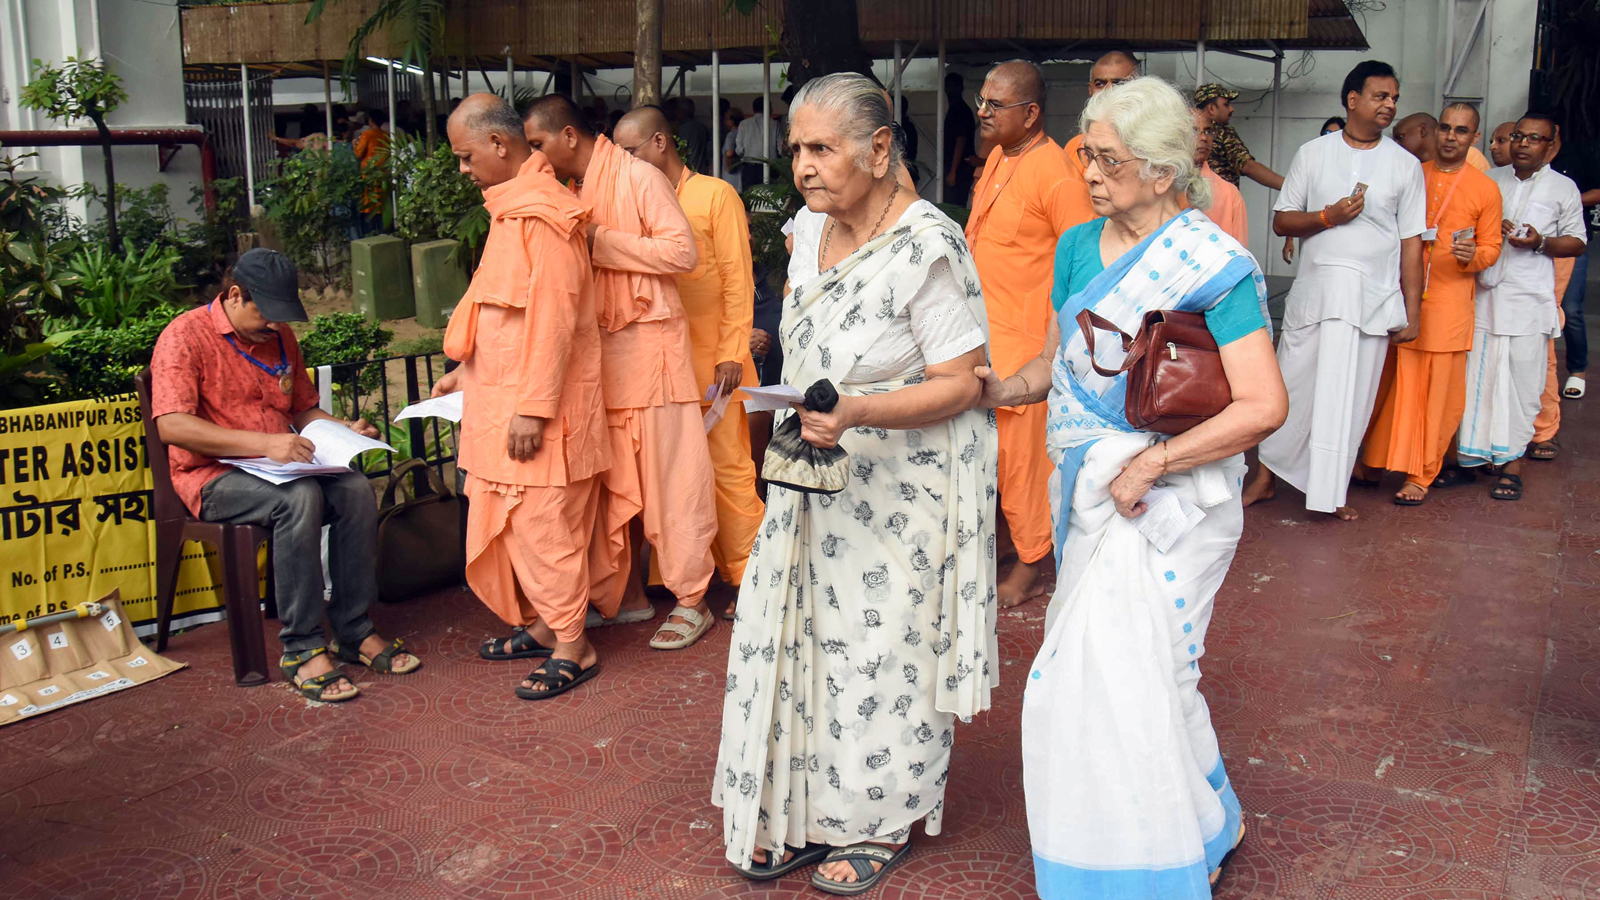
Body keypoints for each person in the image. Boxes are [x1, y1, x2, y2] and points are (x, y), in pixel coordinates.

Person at [974, 75, 1285, 899]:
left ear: (1161, 171)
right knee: (1124, 676)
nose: (1089, 173)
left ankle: (1154, 859)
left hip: (1175, 501)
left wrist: (1152, 463)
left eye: (1108, 160)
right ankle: (1204, 825)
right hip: (1090, 490)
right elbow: (1053, 366)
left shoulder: (1213, 263)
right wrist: (997, 388)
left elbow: (1263, 406)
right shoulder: (1078, 247)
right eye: (1088, 155)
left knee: (1148, 672)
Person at [714, 72, 996, 896]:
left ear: (878, 149)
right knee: (801, 646)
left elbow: (963, 382)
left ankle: (879, 820)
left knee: (879, 656)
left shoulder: (927, 244)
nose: (803, 164)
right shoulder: (807, 229)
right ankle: (806, 815)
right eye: (795, 148)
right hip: (810, 480)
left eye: (821, 148)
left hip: (900, 492)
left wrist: (861, 410)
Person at [150, 249, 421, 703]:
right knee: (299, 498)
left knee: (354, 490)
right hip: (212, 476)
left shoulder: (279, 336)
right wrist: (265, 444)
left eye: (282, 315)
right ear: (234, 296)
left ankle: (353, 630)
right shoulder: (184, 335)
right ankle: (302, 648)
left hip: (279, 466)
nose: (275, 324)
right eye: (266, 313)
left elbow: (302, 409)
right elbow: (172, 425)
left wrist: (344, 430)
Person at [522, 95, 722, 650]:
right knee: (611, 492)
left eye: (537, 144)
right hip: (600, 360)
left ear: (568, 135)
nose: (534, 157)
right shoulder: (570, 193)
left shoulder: (638, 177)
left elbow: (682, 254)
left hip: (652, 355)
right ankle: (626, 597)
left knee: (671, 483)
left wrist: (598, 241)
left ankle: (693, 601)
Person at [430, 95, 609, 698]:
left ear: (498, 144)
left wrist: (532, 409)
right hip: (500, 399)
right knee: (522, 530)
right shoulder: (512, 211)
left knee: (544, 528)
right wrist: (466, 373)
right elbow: (504, 315)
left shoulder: (545, 215)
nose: (463, 170)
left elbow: (555, 321)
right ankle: (546, 625)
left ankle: (574, 646)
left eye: (465, 157)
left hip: (538, 412)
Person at [1245, 60, 1425, 521]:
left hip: (1370, 302)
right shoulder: (1313, 153)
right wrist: (1328, 217)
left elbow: (1411, 244)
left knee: (1351, 400)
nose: (1390, 105)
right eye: (1381, 96)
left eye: (1394, 98)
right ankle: (1265, 477)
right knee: (1292, 389)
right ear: (1352, 99)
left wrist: (1413, 312)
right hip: (1317, 297)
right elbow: (1282, 221)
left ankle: (1331, 491)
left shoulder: (1405, 165)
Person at [613, 105, 765, 622]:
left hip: (714, 363)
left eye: (629, 151)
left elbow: (737, 278)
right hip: (662, 367)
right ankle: (680, 574)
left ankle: (750, 577)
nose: (623, 162)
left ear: (659, 143)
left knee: (728, 471)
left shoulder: (715, 195)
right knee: (676, 477)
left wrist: (731, 352)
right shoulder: (637, 202)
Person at [965, 60, 1094, 608]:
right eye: (982, 100)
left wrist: (1055, 347)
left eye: (995, 104)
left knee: (1024, 464)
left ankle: (1033, 563)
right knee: (992, 458)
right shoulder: (999, 156)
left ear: (1032, 113)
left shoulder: (1057, 174)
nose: (982, 111)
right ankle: (1007, 542)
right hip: (984, 334)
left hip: (1027, 345)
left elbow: (1082, 264)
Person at [1358, 102, 1503, 504]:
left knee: (1436, 392)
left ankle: (1420, 474)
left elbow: (1492, 247)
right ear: (1435, 131)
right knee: (1388, 382)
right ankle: (1373, 461)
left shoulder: (1485, 188)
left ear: (1474, 138)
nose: (1451, 137)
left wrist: (1473, 255)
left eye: (1461, 130)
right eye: (1445, 128)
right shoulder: (1412, 174)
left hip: (1448, 301)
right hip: (1398, 293)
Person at [1455, 113, 1588, 500]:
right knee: (1476, 382)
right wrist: (1488, 231)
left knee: (1522, 385)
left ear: (1550, 146)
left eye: (1534, 138)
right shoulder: (1489, 180)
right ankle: (1470, 460)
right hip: (1485, 298)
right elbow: (1464, 228)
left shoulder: (1563, 188)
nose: (1523, 144)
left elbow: (1577, 242)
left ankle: (1512, 465)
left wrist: (1540, 242)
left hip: (1529, 302)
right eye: (1518, 136)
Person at [1552, 142, 1600, 398]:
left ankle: (1577, 370)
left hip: (1570, 244)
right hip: (1528, 247)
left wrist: (1567, 199)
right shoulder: (1519, 163)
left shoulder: (1577, 155)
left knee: (1570, 308)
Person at [1063, 50, 1140, 184]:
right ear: (1090, 89)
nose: (1109, 91)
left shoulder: (1150, 146)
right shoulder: (1075, 146)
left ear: (1138, 89)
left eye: (1119, 84)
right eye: (1100, 84)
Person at [1195, 83, 1284, 190]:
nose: (1231, 109)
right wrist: (1290, 186)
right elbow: (1249, 167)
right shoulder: (1223, 134)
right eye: (1226, 105)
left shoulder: (1186, 133)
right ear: (1212, 108)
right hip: (1221, 197)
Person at [1285, 117, 1349, 264]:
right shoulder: (1310, 159)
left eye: (1337, 133)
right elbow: (1293, 208)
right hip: (1314, 239)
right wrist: (1289, 240)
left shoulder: (1351, 164)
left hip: (1343, 239)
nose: (1331, 137)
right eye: (1328, 133)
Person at [1190, 107, 1248, 245]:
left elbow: (1240, 251)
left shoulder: (1230, 194)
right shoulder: (1161, 186)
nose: (1203, 137)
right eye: (1194, 130)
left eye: (1208, 131)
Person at [943, 72, 977, 205]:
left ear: (960, 88)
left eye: (953, 86)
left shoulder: (959, 109)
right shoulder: (957, 108)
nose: (949, 89)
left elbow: (960, 140)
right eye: (948, 86)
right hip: (958, 167)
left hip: (960, 168)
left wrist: (953, 171)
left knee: (954, 207)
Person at [735, 96, 782, 183]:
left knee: (749, 191)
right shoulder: (775, 124)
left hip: (750, 169)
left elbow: (739, 150)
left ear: (753, 109)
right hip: (770, 168)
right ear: (768, 108)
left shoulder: (743, 124)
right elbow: (781, 149)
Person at [675, 98, 713, 174]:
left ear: (682, 112)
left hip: (689, 172)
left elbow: (680, 152)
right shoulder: (702, 127)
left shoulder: (684, 129)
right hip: (702, 171)